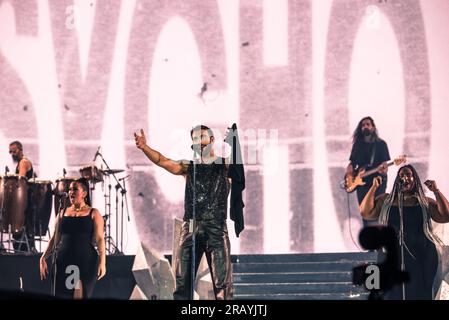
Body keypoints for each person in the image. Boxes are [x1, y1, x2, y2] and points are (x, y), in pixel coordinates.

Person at [134, 125, 244, 300]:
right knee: (182, 283)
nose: (199, 142)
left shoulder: (224, 164)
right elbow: (163, 160)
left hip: (216, 228)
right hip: (191, 227)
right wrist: (144, 147)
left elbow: (237, 163)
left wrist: (233, 142)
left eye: (202, 137)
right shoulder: (188, 167)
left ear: (212, 140)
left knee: (222, 285)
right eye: (195, 139)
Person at [359, 164, 449, 299]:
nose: (405, 178)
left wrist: (436, 191)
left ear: (415, 179)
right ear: (397, 180)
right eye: (401, 175)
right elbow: (366, 212)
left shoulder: (424, 202)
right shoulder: (386, 200)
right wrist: (374, 187)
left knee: (420, 292)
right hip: (392, 255)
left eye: (408, 174)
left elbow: (445, 216)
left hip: (421, 254)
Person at [39, 178, 106, 299]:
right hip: (64, 260)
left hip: (85, 261)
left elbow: (100, 239)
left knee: (79, 294)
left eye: (75, 189)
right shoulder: (62, 212)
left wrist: (103, 262)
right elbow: (55, 238)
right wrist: (44, 257)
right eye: (69, 189)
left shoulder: (93, 213)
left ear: (84, 193)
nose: (71, 192)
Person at [345, 117, 390, 227]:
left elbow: (385, 167)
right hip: (362, 184)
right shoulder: (358, 145)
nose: (365, 126)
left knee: (378, 212)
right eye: (363, 125)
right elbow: (352, 163)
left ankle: (381, 240)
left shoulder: (381, 144)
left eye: (368, 124)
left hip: (377, 183)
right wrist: (350, 175)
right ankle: (369, 240)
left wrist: (383, 170)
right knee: (365, 213)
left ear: (373, 128)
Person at [9, 141, 35, 252]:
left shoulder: (24, 162)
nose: (12, 154)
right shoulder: (21, 162)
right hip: (24, 200)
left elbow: (21, 180)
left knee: (21, 229)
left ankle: (24, 252)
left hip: (25, 201)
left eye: (13, 151)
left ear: (20, 149)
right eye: (10, 151)